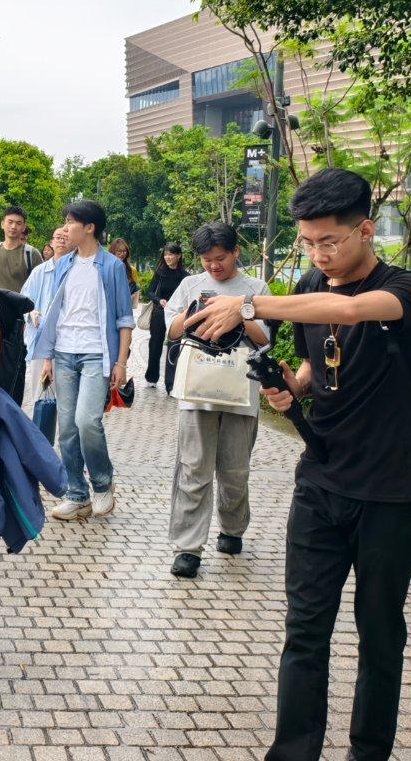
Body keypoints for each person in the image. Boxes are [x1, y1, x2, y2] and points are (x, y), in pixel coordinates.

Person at [188, 168, 411, 761]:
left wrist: (247, 301)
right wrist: (289, 390)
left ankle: (367, 753)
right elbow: (312, 370)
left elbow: (346, 313)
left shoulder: (407, 288)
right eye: (309, 242)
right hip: (321, 482)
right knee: (304, 631)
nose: (319, 254)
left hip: (393, 494)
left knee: (379, 634)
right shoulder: (306, 284)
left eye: (330, 241)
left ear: (366, 230)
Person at [163, 223, 267, 578]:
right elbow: (173, 330)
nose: (213, 266)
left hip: (241, 389)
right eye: (206, 260)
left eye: (220, 258)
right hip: (197, 389)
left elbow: (264, 339)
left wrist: (241, 309)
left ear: (236, 252)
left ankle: (233, 527)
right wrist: (197, 309)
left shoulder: (255, 288)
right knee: (193, 467)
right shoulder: (190, 284)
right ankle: (188, 548)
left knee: (235, 470)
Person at [31, 201, 135, 521]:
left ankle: (102, 483)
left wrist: (120, 363)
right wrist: (47, 356)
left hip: (95, 353)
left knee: (87, 421)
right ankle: (77, 494)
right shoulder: (64, 263)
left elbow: (123, 319)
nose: (65, 228)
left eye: (70, 222)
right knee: (67, 428)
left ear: (89, 227)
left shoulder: (111, 267)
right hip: (63, 353)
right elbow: (54, 312)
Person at [18, 226, 68, 404]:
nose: (61, 240)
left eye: (65, 237)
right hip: (40, 339)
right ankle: (42, 431)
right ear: (52, 242)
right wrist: (30, 312)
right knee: (41, 394)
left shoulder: (76, 270)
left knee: (66, 398)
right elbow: (25, 299)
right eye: (58, 237)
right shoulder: (39, 271)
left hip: (67, 342)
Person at [144, 243, 188, 391]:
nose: (167, 257)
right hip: (160, 312)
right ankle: (151, 378)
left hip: (177, 315)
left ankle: (171, 384)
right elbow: (150, 292)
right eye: (165, 255)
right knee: (155, 344)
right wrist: (158, 300)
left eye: (171, 254)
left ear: (178, 256)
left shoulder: (185, 276)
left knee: (174, 346)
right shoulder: (160, 272)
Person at [0, 205, 43, 294]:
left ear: (24, 227)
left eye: (18, 223)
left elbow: (41, 286)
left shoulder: (31, 254)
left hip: (22, 307)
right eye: (10, 222)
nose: (13, 226)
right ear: (2, 224)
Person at [108, 237, 141, 304]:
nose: (122, 254)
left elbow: (135, 291)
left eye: (124, 251)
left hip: (126, 307)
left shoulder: (132, 270)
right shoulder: (107, 268)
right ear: (113, 252)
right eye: (119, 251)